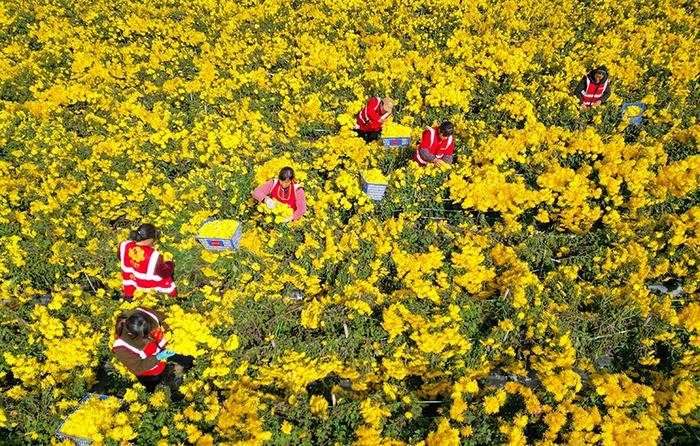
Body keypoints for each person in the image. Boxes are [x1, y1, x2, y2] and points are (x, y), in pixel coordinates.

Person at [112, 307, 193, 393]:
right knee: (152, 384)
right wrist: (158, 357)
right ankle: (151, 394)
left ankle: (192, 365)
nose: (151, 336)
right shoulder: (121, 348)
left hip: (167, 349)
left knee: (185, 357)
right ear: (133, 335)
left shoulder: (144, 313)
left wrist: (171, 334)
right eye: (147, 335)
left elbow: (165, 319)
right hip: (150, 370)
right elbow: (137, 368)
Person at [118, 224, 177, 299]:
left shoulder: (124, 245)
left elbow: (120, 257)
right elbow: (166, 273)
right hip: (149, 291)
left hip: (132, 285)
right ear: (151, 239)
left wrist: (135, 264)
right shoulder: (153, 256)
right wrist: (169, 262)